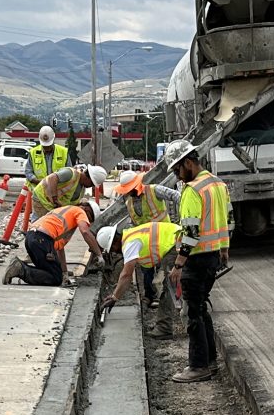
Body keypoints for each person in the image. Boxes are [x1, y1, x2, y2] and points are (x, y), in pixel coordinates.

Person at [169, 142, 230, 381]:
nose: (177, 175)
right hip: (213, 255)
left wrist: (178, 264)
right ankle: (210, 361)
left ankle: (198, 366)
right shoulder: (217, 184)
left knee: (194, 314)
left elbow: (191, 233)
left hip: (195, 259)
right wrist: (224, 250)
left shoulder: (192, 190)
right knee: (202, 309)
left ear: (188, 163)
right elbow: (227, 220)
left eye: (177, 170)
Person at [96, 219, 182, 337]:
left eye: (113, 249)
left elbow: (126, 275)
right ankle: (165, 323)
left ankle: (164, 328)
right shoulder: (130, 235)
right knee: (165, 284)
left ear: (115, 242)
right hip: (175, 241)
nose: (116, 253)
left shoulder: (130, 243)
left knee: (166, 288)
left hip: (176, 244)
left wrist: (115, 297)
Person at [3, 200, 94, 287]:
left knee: (50, 272)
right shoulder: (79, 211)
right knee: (55, 278)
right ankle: (20, 269)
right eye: (88, 219)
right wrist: (98, 254)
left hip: (32, 237)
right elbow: (85, 232)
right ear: (87, 210)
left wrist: (64, 273)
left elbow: (60, 249)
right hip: (41, 239)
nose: (86, 222)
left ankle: (19, 268)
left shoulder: (65, 213)